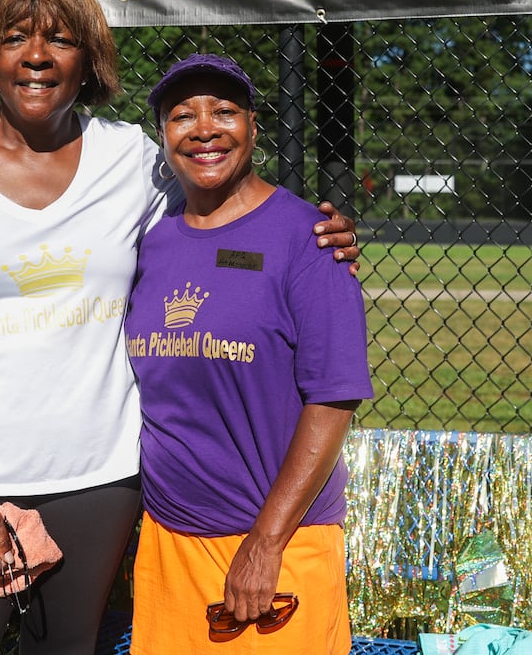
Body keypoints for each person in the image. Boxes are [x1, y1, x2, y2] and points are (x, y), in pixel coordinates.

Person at [0, 0, 359, 655]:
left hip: (100, 481)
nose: (36, 56)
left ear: (88, 58)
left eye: (60, 39)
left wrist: (314, 233)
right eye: (14, 37)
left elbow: (223, 199)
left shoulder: (131, 159)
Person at [124, 53, 374, 654]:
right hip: (169, 541)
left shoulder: (309, 240)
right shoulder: (151, 245)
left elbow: (333, 399)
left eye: (224, 111)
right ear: (163, 136)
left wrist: (265, 543)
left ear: (254, 128)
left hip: (275, 548)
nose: (204, 129)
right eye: (183, 115)